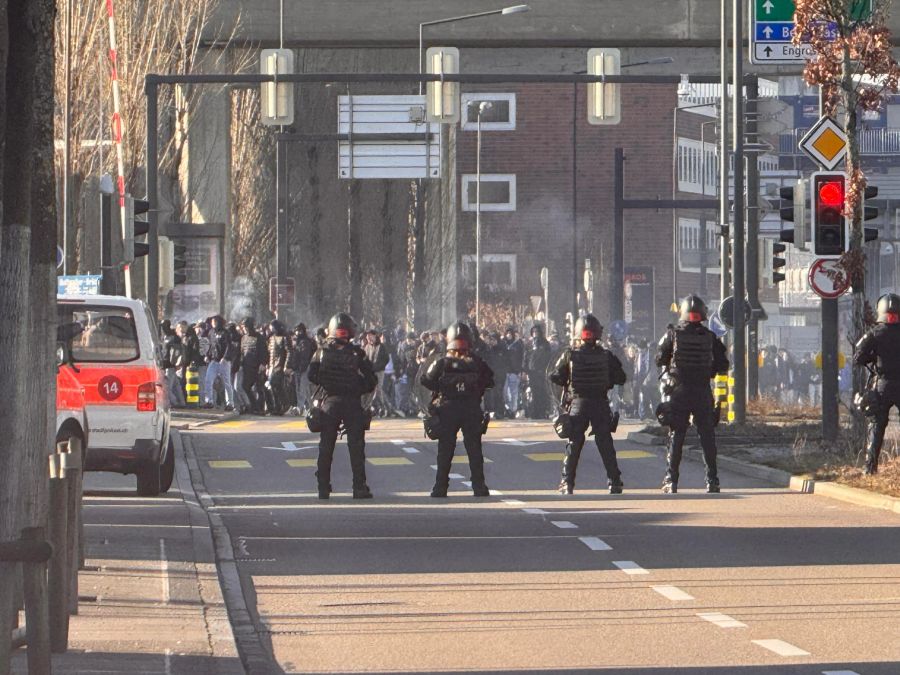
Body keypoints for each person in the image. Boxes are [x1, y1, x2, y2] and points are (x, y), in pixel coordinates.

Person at [656, 295, 729, 493]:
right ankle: (712, 481)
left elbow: (659, 357)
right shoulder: (710, 337)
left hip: (679, 391)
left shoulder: (672, 334)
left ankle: (671, 481)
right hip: (702, 390)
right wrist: (709, 370)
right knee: (707, 437)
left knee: (677, 435)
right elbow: (724, 364)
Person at [550, 314, 626, 495]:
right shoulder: (606, 356)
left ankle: (567, 482)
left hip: (578, 403)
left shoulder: (570, 355)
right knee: (605, 443)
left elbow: (554, 376)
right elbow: (621, 377)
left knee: (574, 443)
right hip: (600, 403)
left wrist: (568, 380)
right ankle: (614, 482)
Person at [308, 312, 378, 499]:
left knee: (326, 446)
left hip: (329, 403)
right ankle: (359, 487)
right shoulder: (358, 353)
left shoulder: (321, 352)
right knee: (356, 447)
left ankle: (323, 486)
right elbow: (372, 380)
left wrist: (326, 384)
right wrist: (357, 387)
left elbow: (311, 375)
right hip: (352, 403)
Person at [421, 321, 494, 498]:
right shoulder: (477, 362)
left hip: (447, 409)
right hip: (471, 409)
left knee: (445, 450)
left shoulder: (442, 362)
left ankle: (440, 487)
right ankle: (479, 486)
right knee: (474, 450)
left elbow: (425, 380)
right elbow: (490, 381)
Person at [853, 293, 900, 474]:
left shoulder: (874, 333)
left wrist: (874, 357)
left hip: (883, 386)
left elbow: (858, 357)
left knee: (876, 426)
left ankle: (869, 468)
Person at [203, 315, 236, 410]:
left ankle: (230, 403)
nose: (213, 323)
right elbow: (210, 345)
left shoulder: (226, 333)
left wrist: (225, 357)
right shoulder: (211, 332)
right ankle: (209, 401)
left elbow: (229, 346)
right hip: (214, 360)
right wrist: (207, 356)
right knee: (208, 380)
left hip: (224, 362)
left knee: (227, 383)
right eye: (212, 322)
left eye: (215, 321)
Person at [524, 323, 553, 419]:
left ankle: (543, 411)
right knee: (534, 393)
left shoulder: (545, 344)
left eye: (537, 332)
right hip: (532, 372)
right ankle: (535, 412)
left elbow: (549, 357)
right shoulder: (529, 344)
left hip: (542, 372)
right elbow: (525, 357)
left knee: (542, 392)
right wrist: (524, 370)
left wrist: (548, 370)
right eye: (533, 332)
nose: (535, 333)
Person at [239, 318, 266, 414]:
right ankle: (254, 406)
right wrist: (241, 363)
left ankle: (261, 409)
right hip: (247, 367)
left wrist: (263, 363)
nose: (244, 329)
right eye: (243, 327)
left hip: (257, 367)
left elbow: (264, 351)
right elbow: (242, 352)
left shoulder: (259, 337)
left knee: (259, 388)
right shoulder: (243, 338)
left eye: (245, 326)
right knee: (245, 386)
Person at [288, 323, 317, 414]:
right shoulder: (299, 341)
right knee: (304, 389)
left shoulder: (304, 342)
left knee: (302, 389)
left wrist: (300, 369)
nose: (296, 332)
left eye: (297, 330)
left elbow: (304, 357)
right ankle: (309, 407)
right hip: (299, 368)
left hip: (304, 368)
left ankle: (300, 408)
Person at [267, 320, 291, 415]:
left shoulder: (284, 338)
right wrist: (269, 366)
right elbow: (270, 353)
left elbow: (289, 352)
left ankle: (284, 404)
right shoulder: (272, 338)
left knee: (276, 385)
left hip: (280, 366)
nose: (271, 329)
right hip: (272, 367)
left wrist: (286, 366)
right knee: (274, 387)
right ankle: (278, 406)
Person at [503, 327, 525, 418]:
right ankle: (507, 408)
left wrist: (521, 370)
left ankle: (513, 410)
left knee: (514, 393)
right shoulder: (503, 344)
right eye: (507, 333)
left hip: (514, 372)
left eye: (510, 334)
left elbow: (522, 358)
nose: (509, 335)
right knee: (504, 393)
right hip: (505, 371)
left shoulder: (518, 345)